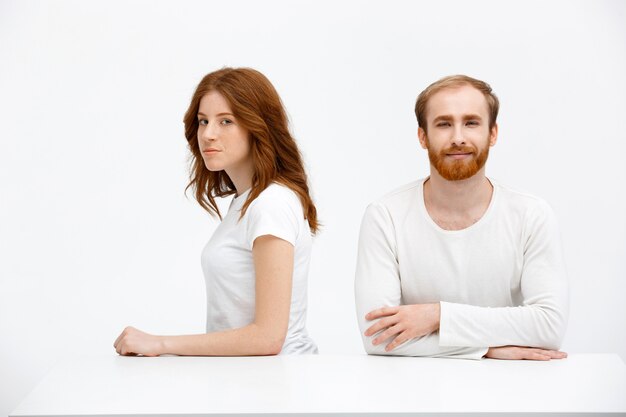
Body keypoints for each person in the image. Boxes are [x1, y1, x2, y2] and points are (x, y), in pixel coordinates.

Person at [354, 75, 569, 360]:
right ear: (422, 136)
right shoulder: (385, 217)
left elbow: (549, 327)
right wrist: (486, 349)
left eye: (471, 123)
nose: (458, 138)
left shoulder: (531, 215)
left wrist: (438, 315)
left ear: (492, 133)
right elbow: (379, 338)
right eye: (443, 124)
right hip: (412, 393)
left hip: (513, 392)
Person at [114, 67, 319, 356]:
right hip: (248, 381)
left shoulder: (272, 203)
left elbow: (268, 337)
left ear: (257, 126)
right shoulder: (247, 202)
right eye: (202, 121)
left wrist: (160, 343)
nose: (208, 134)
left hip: (275, 385)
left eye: (226, 121)